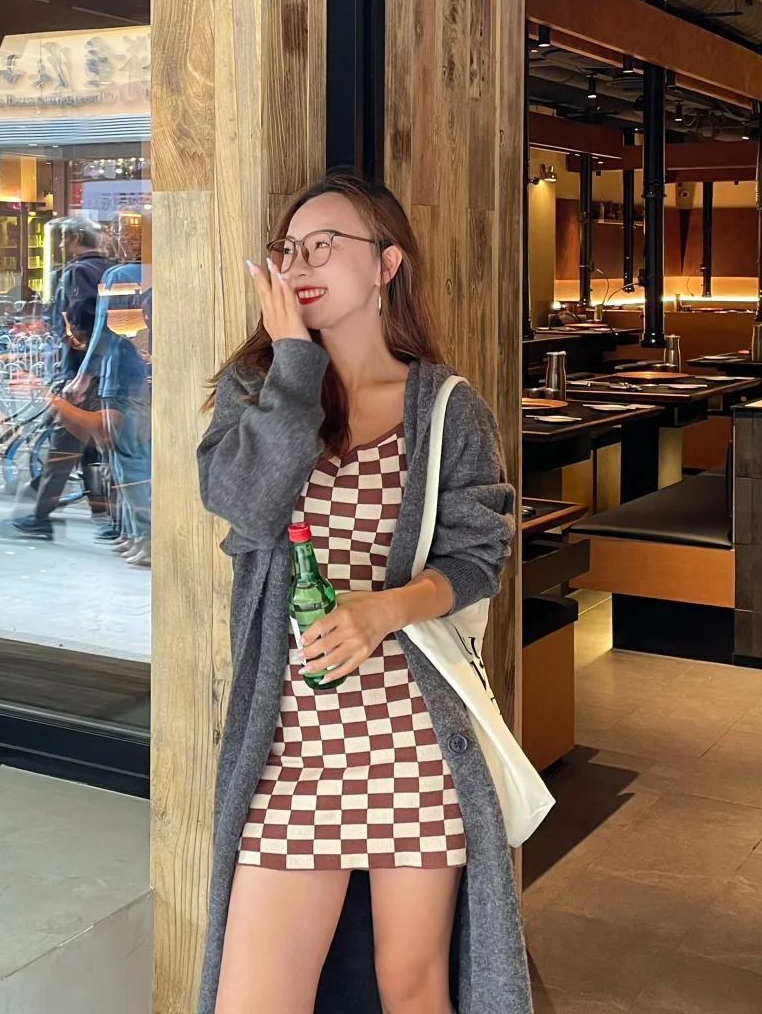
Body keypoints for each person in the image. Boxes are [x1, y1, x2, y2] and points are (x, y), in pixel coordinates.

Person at [196, 168, 530, 1014]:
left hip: (411, 739)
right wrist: (295, 364)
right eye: (288, 249)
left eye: (324, 245)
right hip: (293, 740)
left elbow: (480, 553)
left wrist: (384, 609)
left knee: (412, 989)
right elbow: (246, 506)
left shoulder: (446, 408)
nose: (300, 263)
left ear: (386, 264)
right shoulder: (258, 391)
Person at [12, 215, 110, 538]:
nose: (60, 247)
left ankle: (40, 515)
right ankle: (104, 513)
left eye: (63, 240)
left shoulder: (78, 273)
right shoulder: (109, 270)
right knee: (92, 448)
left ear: (75, 240)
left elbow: (79, 326)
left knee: (64, 445)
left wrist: (79, 373)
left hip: (81, 374)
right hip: (103, 373)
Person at [61, 260, 152, 566]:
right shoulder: (145, 273)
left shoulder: (120, 275)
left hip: (122, 380)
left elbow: (106, 329)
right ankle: (134, 533)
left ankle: (144, 537)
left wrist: (83, 375)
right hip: (135, 378)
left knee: (129, 463)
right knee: (126, 461)